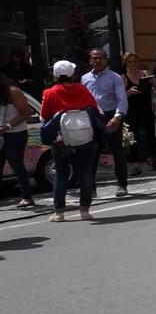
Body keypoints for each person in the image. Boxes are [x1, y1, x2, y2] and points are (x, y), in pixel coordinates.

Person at [40, 60, 102, 221]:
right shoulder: (82, 90)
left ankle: (59, 212)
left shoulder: (49, 93)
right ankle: (85, 211)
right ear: (72, 74)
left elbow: (44, 116)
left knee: (61, 174)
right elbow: (95, 109)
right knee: (85, 173)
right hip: (84, 136)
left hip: (61, 138)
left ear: (55, 75)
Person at [81, 48, 129, 198]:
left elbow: (122, 99)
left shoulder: (114, 77)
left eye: (100, 58)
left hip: (111, 116)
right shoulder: (85, 78)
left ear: (105, 59)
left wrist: (117, 117)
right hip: (93, 117)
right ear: (90, 60)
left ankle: (122, 184)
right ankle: (91, 188)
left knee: (117, 151)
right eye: (94, 58)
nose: (97, 61)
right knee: (92, 153)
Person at [1, 71, 36, 209]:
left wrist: (8, 126)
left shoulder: (13, 92)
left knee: (16, 163)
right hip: (1, 134)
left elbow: (26, 113)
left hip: (15, 133)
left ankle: (27, 196)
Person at [122, 52, 156, 174]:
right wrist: (128, 92)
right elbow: (120, 96)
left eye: (135, 61)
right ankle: (136, 164)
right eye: (130, 62)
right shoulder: (123, 77)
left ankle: (152, 158)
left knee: (151, 134)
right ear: (126, 63)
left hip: (147, 108)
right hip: (132, 110)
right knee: (134, 137)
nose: (133, 64)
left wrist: (153, 83)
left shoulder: (145, 74)